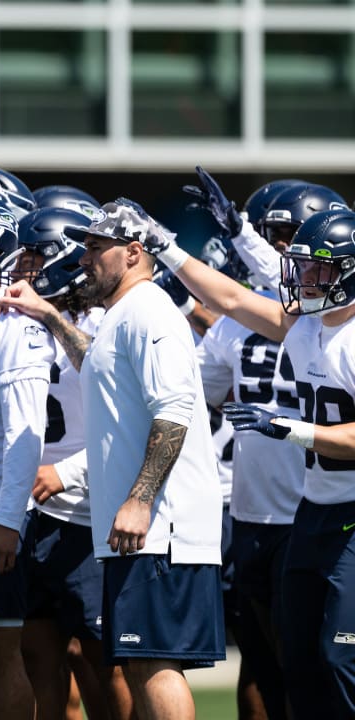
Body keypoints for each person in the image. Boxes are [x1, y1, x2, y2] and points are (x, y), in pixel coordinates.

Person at [0, 200, 226, 720]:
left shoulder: (149, 309)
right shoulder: (124, 314)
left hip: (161, 527)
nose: (84, 259)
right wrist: (51, 316)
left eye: (97, 248)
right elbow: (96, 364)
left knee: (154, 663)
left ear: (133, 252)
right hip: (140, 528)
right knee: (143, 663)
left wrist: (140, 502)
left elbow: (174, 411)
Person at [148, 196, 355, 716]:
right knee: (298, 661)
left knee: (341, 658)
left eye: (316, 268)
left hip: (351, 515)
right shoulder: (307, 325)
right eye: (301, 266)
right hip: (314, 511)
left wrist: (289, 428)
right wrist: (164, 248)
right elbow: (232, 299)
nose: (302, 276)